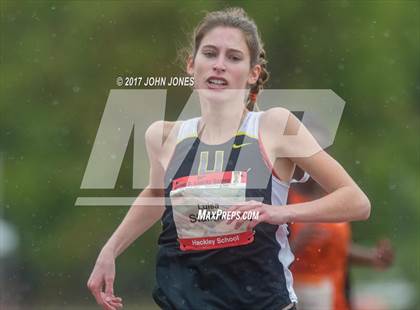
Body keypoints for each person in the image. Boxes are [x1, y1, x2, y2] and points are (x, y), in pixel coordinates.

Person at [87, 8, 371, 310]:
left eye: (233, 58)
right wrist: (110, 250)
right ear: (191, 64)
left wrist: (278, 212)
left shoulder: (274, 127)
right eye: (210, 54)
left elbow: (356, 201)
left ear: (253, 73)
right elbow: (156, 197)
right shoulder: (163, 137)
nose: (219, 65)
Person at [288, 179, 394, 310]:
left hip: (337, 298)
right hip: (297, 297)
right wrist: (295, 245)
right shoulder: (283, 198)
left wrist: (372, 257)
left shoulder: (336, 197)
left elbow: (339, 248)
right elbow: (267, 253)